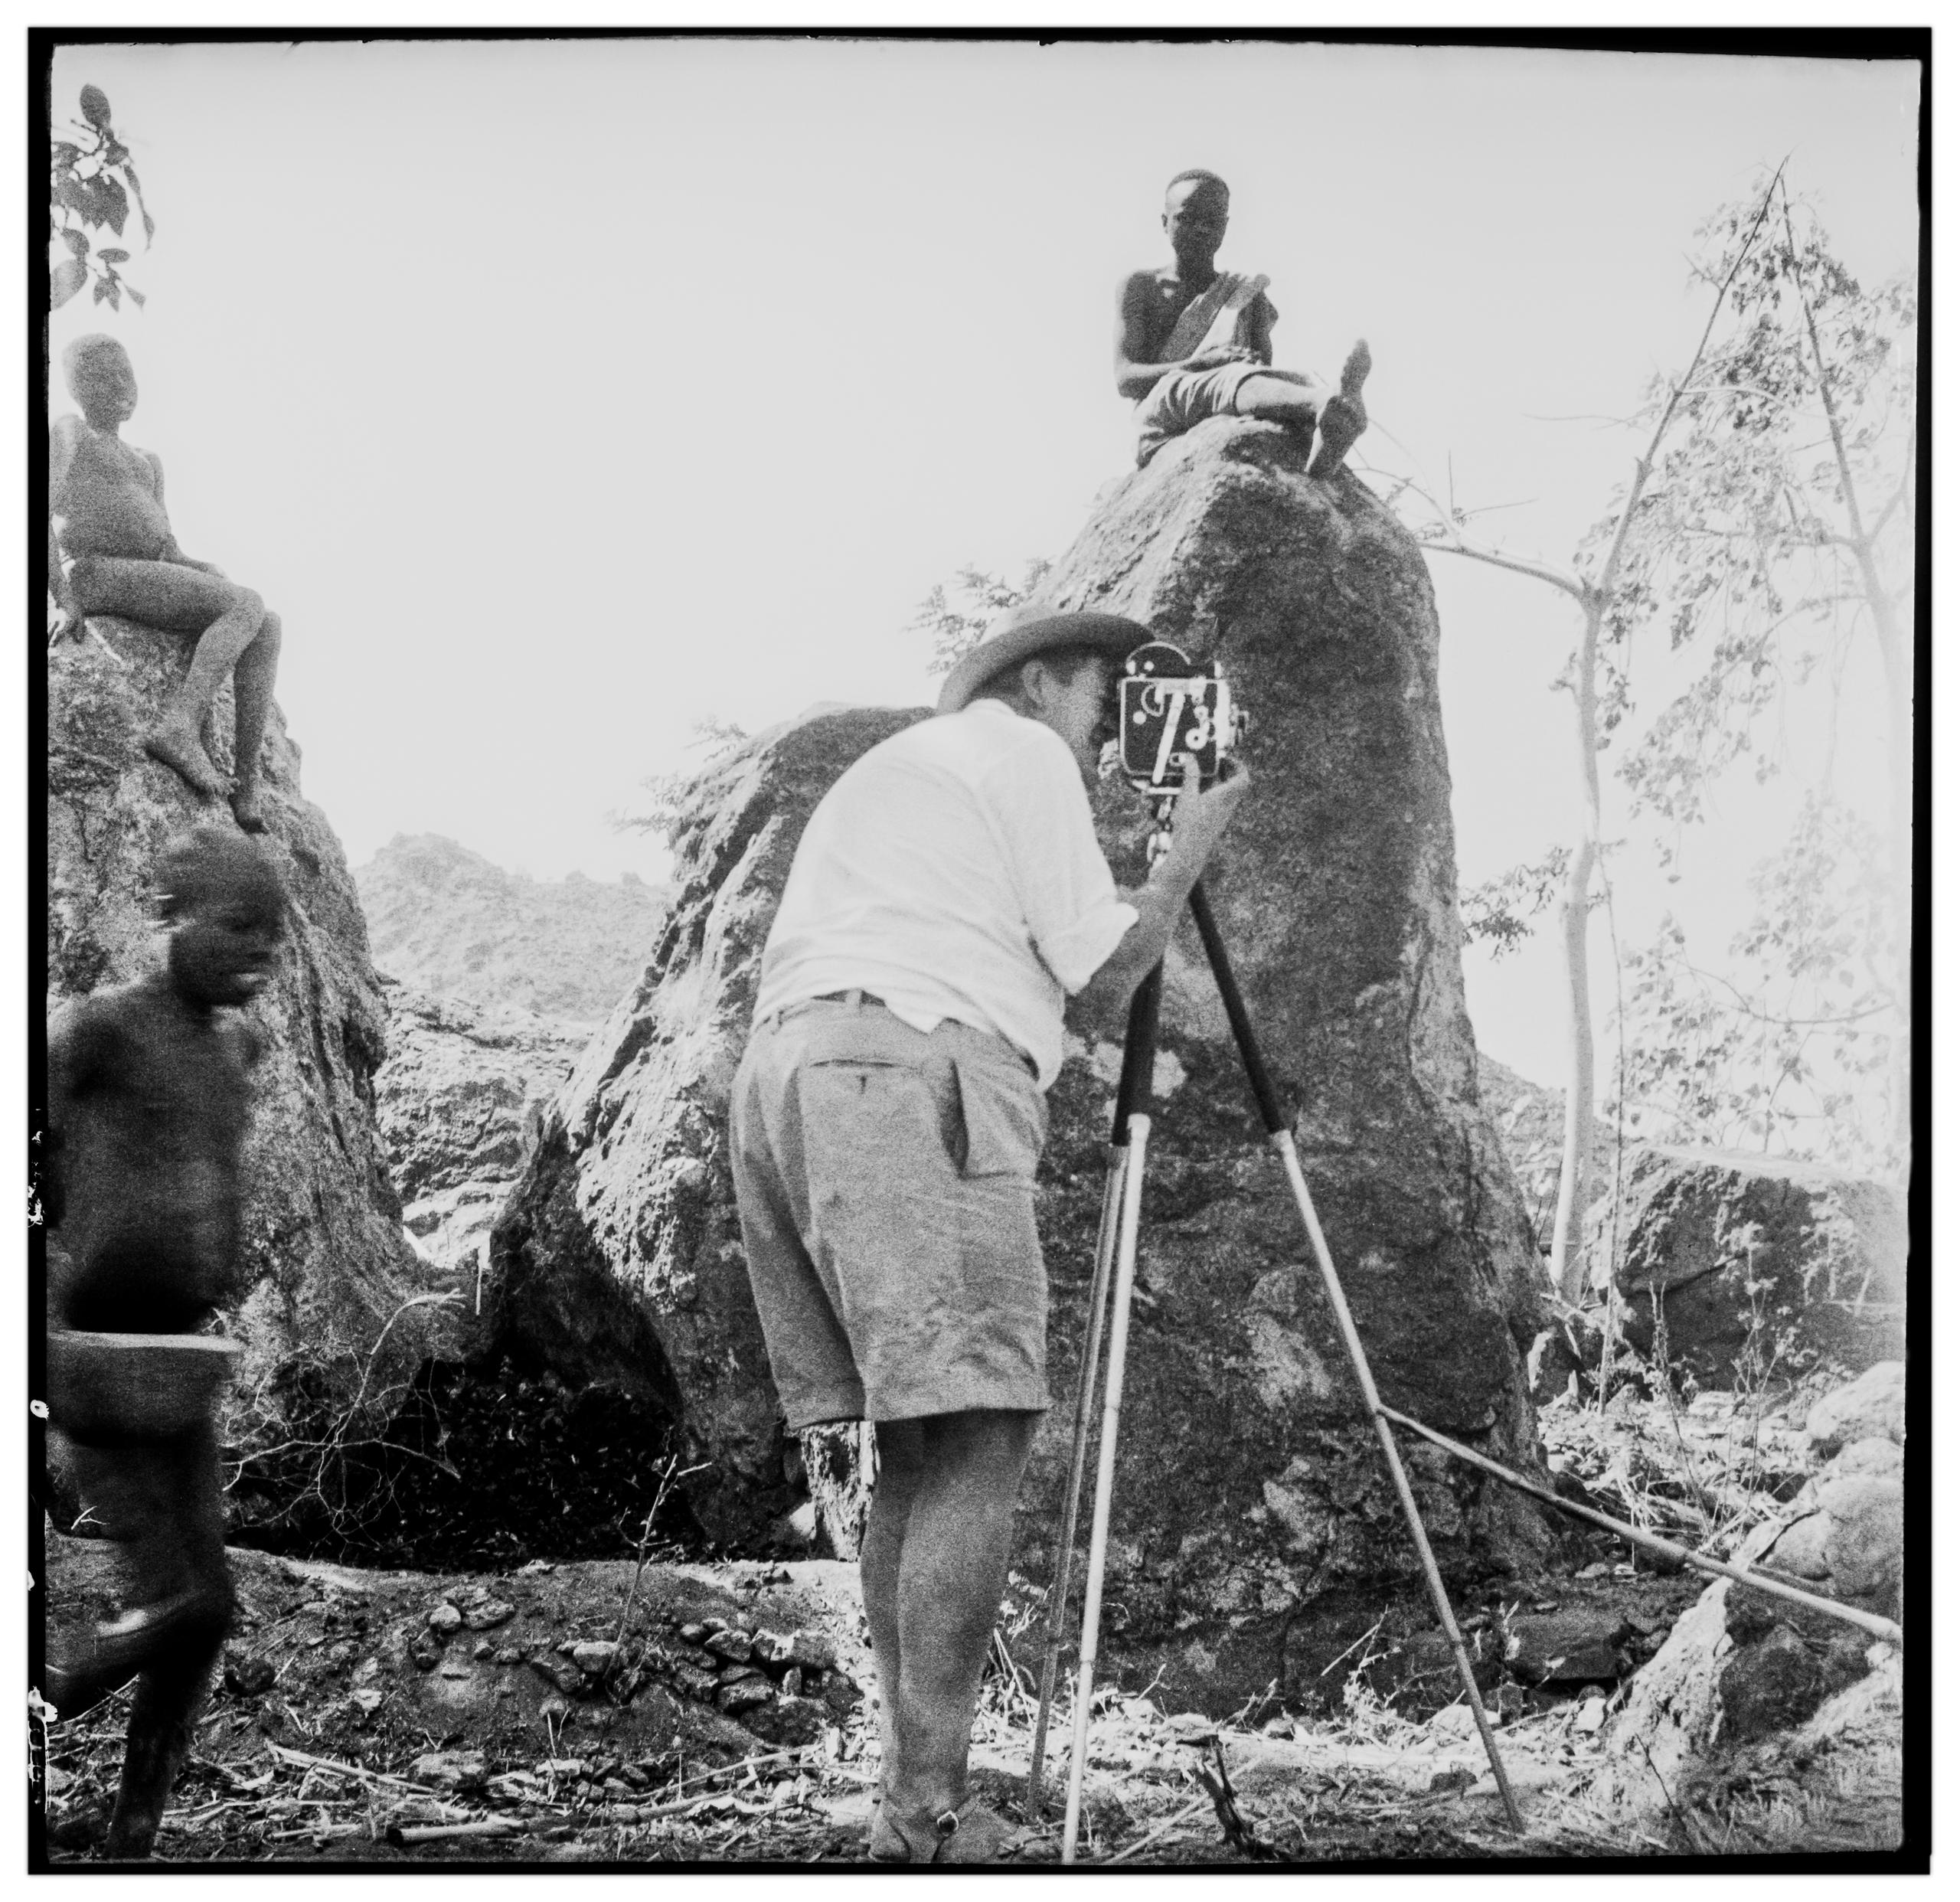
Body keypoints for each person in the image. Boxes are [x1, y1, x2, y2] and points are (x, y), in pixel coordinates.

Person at [730, 606, 1248, 1862]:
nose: (1120, 723)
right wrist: (1186, 849)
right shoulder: (1020, 751)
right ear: (1052, 680)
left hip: (796, 1075)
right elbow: (1105, 975)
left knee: (922, 1442)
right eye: (1111, 696)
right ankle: (930, 1810)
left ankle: (910, 1797)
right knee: (986, 1427)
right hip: (910, 1064)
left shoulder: (907, 768)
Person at [42, 826, 289, 1860]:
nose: (258, 952)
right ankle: (49, 1689)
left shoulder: (229, 1055)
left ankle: (131, 1839)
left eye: (272, 939)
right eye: (236, 925)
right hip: (91, 1357)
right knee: (179, 1599)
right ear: (173, 917)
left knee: (210, 1610)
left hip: (180, 1366)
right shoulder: (101, 1032)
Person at [47, 334, 284, 832]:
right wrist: (61, 596)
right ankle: (179, 726)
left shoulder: (148, 462)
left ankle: (246, 784)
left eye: (123, 376)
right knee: (247, 605)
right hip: (95, 570)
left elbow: (167, 549)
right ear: (77, 386)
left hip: (144, 576)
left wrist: (204, 570)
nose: (119, 387)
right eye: (103, 377)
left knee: (265, 624)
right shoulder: (71, 432)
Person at [1116, 168, 1371, 476]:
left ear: (1224, 227)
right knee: (1220, 379)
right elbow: (1125, 379)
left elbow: (1257, 371)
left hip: (1222, 401)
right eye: (1186, 218)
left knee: (1282, 382)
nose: (1200, 229)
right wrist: (1201, 363)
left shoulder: (1247, 295)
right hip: (1160, 418)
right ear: (1164, 222)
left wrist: (1223, 368)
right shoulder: (1141, 286)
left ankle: (1325, 437)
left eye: (1211, 221)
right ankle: (1325, 403)